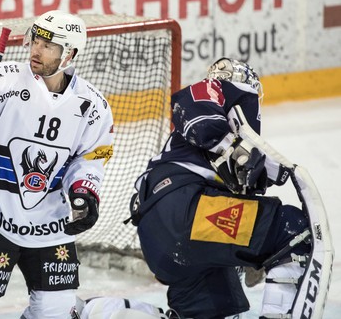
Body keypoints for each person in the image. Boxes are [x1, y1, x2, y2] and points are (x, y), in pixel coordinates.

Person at [0, 10, 115, 318]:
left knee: (56, 312)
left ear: (70, 54)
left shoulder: (93, 106)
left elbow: (91, 158)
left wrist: (84, 192)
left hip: (50, 226)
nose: (36, 50)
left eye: (48, 45)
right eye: (36, 41)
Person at [130, 58, 311, 318]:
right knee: (291, 230)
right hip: (185, 210)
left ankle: (103, 311)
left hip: (161, 238)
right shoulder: (216, 89)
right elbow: (189, 105)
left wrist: (253, 256)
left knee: (219, 311)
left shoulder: (232, 153)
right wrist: (230, 148)